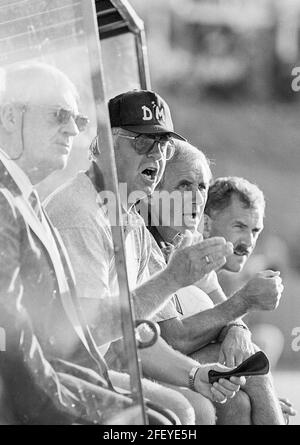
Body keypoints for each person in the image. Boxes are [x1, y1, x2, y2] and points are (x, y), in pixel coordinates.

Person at [46, 89, 244, 425]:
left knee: (203, 403)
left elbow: (134, 335)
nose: (155, 155)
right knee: (178, 414)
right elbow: (92, 334)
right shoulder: (82, 215)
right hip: (60, 370)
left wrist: (196, 375)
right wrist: (173, 279)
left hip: (95, 365)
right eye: (142, 142)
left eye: (163, 147)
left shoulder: (130, 219)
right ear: (106, 145)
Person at [0, 62, 180, 425]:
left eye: (79, 120)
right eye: (58, 115)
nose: (72, 129)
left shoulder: (25, 197)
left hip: (60, 376)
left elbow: (61, 331)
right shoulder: (9, 202)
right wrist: (72, 407)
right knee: (161, 423)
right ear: (9, 117)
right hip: (29, 395)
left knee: (167, 420)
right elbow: (14, 337)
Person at [144, 140, 286, 425]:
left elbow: (227, 309)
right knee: (252, 370)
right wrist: (245, 301)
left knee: (240, 401)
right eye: (185, 185)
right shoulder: (142, 243)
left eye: (202, 187)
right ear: (155, 191)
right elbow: (174, 338)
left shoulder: (189, 240)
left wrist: (236, 329)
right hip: (148, 364)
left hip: (187, 361)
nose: (196, 197)